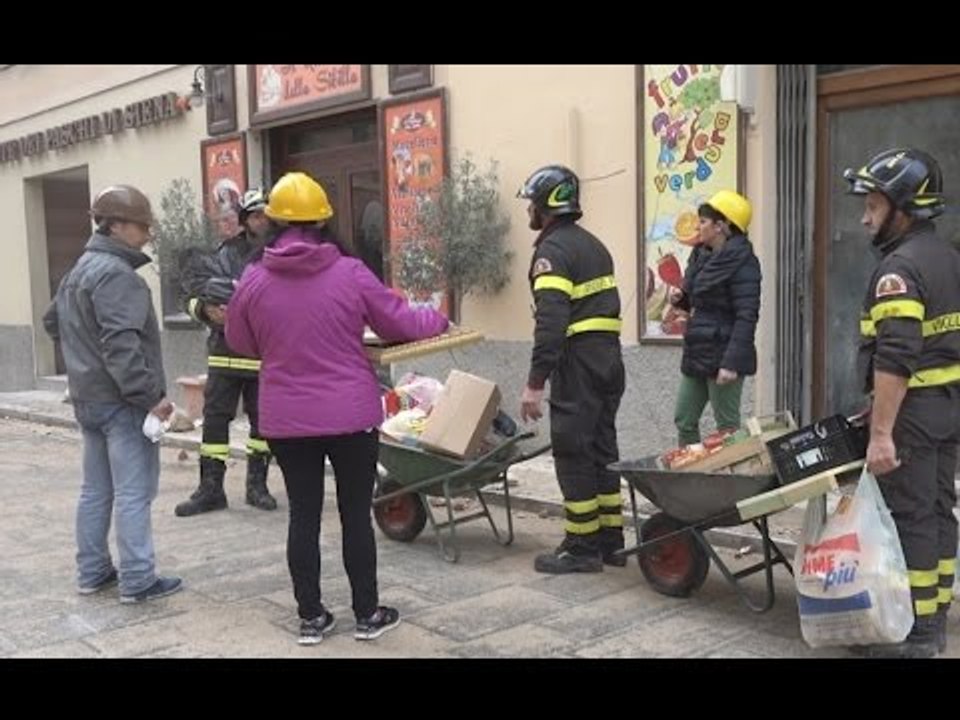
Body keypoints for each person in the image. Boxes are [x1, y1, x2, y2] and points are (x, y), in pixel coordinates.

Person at [225, 171, 448, 644]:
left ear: (274, 223)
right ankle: (367, 614)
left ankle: (311, 618)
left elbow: (241, 342)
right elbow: (402, 321)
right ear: (324, 221)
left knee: (302, 516)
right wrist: (439, 317)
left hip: (286, 418)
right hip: (350, 416)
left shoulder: (253, 280)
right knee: (353, 514)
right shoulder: (350, 272)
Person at [843, 148, 960, 658]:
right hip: (949, 407)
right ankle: (933, 618)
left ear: (904, 208)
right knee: (938, 510)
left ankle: (916, 630)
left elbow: (896, 355)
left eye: (872, 203)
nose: (864, 216)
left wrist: (882, 431)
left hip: (912, 415)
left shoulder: (899, 269)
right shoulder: (948, 257)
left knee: (910, 516)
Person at [42, 184, 182, 604]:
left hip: (88, 399)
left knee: (96, 490)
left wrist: (82, 358)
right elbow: (121, 345)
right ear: (116, 225)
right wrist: (149, 397)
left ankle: (93, 572)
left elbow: (54, 324)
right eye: (142, 226)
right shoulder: (118, 275)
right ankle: (138, 579)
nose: (148, 234)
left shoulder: (79, 269)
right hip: (122, 403)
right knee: (134, 493)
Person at [517, 164, 626, 574]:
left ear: (546, 205)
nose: (529, 209)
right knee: (602, 449)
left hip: (577, 363)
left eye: (532, 202)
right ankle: (610, 541)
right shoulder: (594, 246)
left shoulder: (552, 252)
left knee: (572, 450)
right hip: (609, 361)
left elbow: (551, 321)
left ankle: (581, 546)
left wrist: (534, 383)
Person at [175, 188, 278, 517]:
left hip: (264, 358)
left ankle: (257, 486)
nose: (261, 220)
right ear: (246, 219)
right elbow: (191, 297)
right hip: (223, 354)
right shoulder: (222, 255)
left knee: (263, 426)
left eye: (266, 214)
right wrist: (205, 311)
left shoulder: (281, 254)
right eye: (255, 215)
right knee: (214, 424)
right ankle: (210, 489)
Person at [669, 190, 761, 446]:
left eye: (703, 222)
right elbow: (699, 298)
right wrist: (681, 299)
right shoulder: (700, 255)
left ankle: (731, 480)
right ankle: (690, 473)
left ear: (721, 226)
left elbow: (747, 316)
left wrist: (731, 363)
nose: (698, 227)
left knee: (727, 427)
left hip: (725, 351)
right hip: (698, 347)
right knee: (684, 419)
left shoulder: (745, 263)